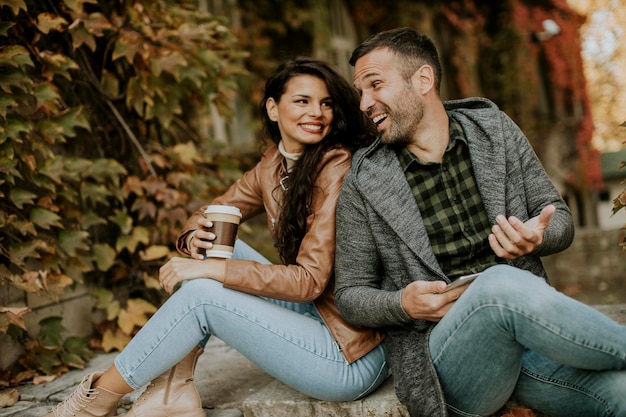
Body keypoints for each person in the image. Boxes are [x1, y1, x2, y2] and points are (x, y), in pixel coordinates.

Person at [44, 57, 387, 417]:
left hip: (348, 354)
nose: (317, 112)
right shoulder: (273, 165)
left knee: (202, 293)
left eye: (326, 102)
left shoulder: (335, 165)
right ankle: (173, 389)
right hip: (314, 316)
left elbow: (309, 281)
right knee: (213, 246)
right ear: (273, 108)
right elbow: (211, 212)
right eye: (302, 101)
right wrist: (194, 236)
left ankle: (94, 401)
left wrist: (209, 272)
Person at [333, 27, 626, 417]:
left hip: (530, 348)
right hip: (448, 361)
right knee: (498, 284)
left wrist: (536, 239)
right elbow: (351, 294)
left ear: (423, 79)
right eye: (361, 92)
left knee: (620, 394)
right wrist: (404, 303)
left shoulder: (495, 130)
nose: (365, 103)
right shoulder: (363, 180)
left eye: (375, 85)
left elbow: (560, 219)